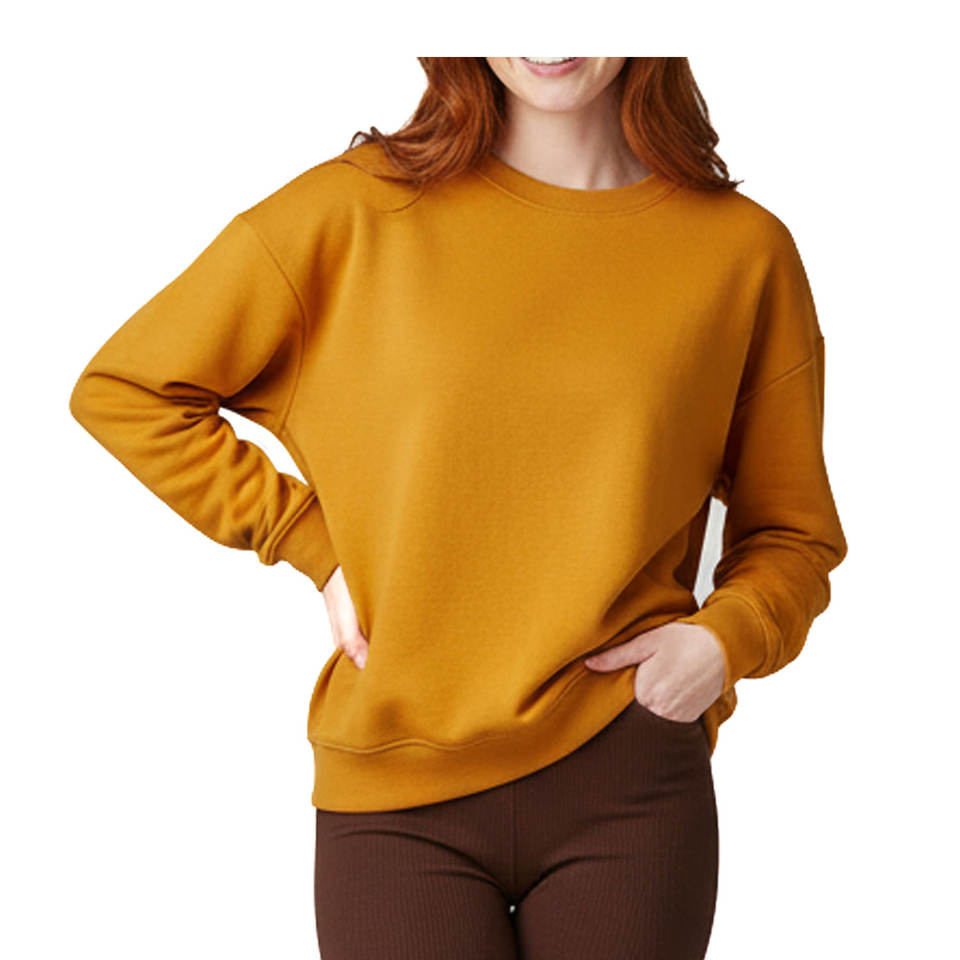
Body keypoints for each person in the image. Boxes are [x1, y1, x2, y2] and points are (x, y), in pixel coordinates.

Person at [69, 57, 848, 959]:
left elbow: (793, 532)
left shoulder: (742, 252)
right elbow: (129, 391)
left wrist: (723, 643)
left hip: (628, 775)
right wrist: (310, 541)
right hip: (394, 787)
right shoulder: (351, 212)